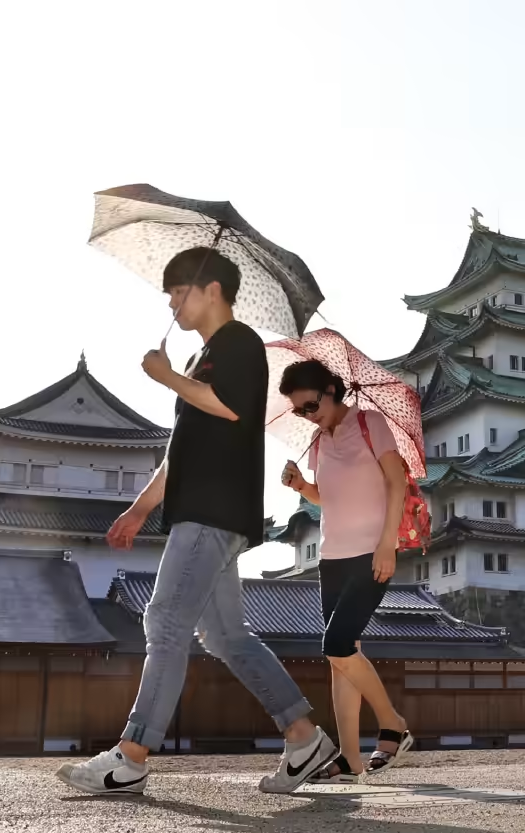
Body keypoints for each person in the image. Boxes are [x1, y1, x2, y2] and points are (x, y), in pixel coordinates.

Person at [55, 248, 334, 796]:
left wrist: (163, 379)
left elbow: (229, 408)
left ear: (212, 290)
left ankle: (130, 756)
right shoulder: (198, 360)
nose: (172, 303)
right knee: (226, 635)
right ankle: (304, 736)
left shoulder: (241, 344)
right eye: (169, 295)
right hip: (205, 512)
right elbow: (181, 447)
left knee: (164, 623)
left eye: (179, 291)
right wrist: (140, 507)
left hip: (213, 511)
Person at [278, 359, 413, 782]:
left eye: (310, 404)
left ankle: (393, 723)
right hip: (332, 559)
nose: (307, 414)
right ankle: (351, 759)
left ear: (332, 389)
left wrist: (387, 543)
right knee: (342, 659)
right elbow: (328, 497)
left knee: (336, 645)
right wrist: (302, 487)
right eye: (299, 410)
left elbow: (397, 482)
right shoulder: (319, 442)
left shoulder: (371, 424)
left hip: (372, 554)